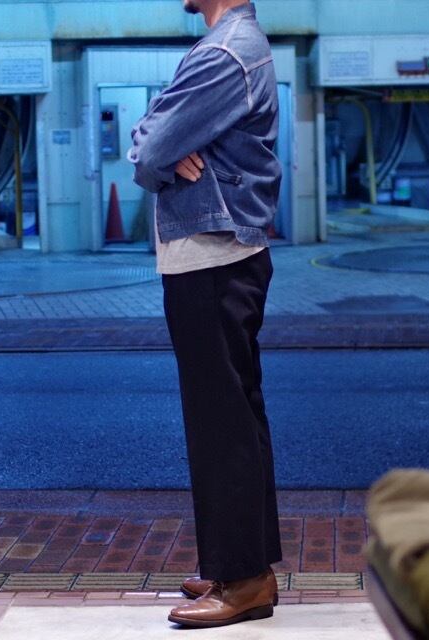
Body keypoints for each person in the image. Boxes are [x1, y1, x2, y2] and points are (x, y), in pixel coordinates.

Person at [128, 0, 282, 628]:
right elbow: (154, 135)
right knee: (236, 415)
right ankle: (242, 567)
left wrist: (161, 151)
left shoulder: (223, 52)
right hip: (221, 254)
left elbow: (149, 149)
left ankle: (243, 580)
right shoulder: (230, 46)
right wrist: (161, 146)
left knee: (221, 423)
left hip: (211, 255)